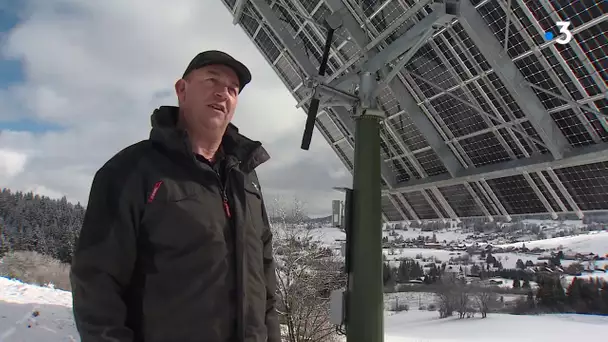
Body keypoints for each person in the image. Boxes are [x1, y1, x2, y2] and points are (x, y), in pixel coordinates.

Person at [70, 50, 280, 342]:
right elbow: (97, 283)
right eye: (211, 80)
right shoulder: (131, 171)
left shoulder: (244, 179)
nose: (223, 93)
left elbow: (265, 276)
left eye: (232, 89)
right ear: (182, 90)